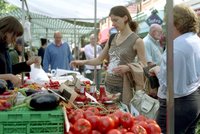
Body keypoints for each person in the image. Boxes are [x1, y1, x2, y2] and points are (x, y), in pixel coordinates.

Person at [71, 6, 146, 101]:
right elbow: (99, 60)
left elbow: (144, 64)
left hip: (124, 88)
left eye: (116, 20)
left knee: (121, 114)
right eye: (112, 21)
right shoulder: (112, 37)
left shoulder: (137, 40)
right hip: (108, 86)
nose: (113, 24)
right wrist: (81, 62)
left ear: (125, 18)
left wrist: (128, 67)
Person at [150, 4, 200, 134]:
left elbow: (168, 83)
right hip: (194, 99)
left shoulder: (175, 47)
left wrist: (156, 70)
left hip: (176, 104)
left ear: (175, 23)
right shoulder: (196, 40)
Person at [0, 16, 41, 89]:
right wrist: (8, 77)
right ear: (6, 30)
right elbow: (7, 74)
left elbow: (9, 70)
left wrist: (28, 63)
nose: (15, 39)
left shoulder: (4, 48)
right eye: (15, 34)